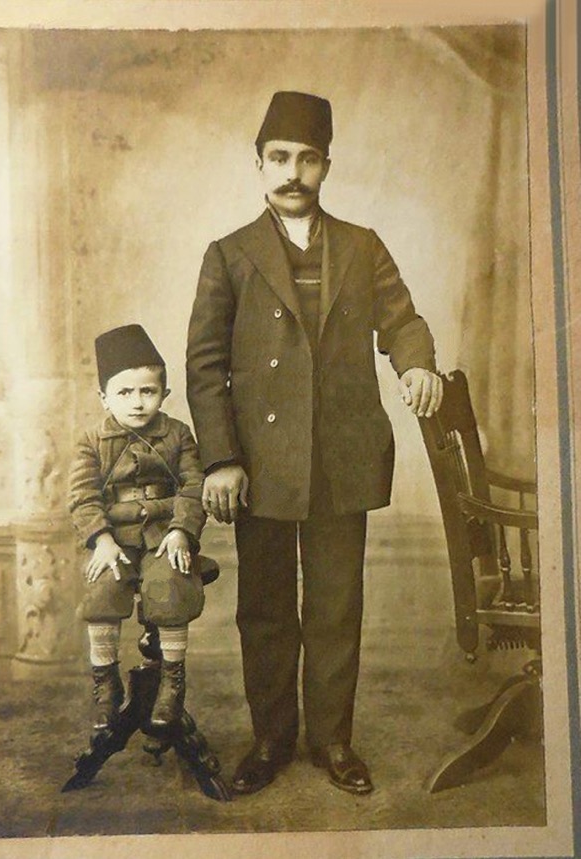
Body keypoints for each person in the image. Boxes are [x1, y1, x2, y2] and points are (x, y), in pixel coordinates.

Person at [186, 91, 443, 796]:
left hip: (339, 458)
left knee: (336, 603)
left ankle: (333, 739)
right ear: (258, 164)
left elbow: (402, 317)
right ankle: (271, 738)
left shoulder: (362, 246)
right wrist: (222, 458)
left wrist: (416, 360)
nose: (292, 171)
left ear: (326, 165)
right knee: (266, 608)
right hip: (260, 466)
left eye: (306, 158)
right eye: (278, 158)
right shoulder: (229, 255)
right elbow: (205, 366)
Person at [68, 324, 206, 734]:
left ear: (164, 394)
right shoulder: (92, 440)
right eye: (124, 393)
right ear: (104, 397)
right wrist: (102, 541)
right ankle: (105, 685)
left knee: (169, 584)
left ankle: (171, 683)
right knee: (103, 589)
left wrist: (181, 531)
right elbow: (82, 495)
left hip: (165, 537)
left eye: (147, 391)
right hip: (117, 541)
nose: (137, 402)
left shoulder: (178, 434)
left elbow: (194, 485)